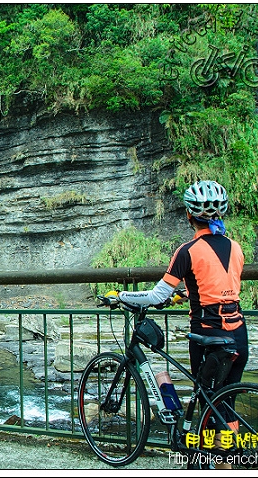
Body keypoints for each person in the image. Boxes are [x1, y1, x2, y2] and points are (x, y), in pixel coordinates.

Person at [103, 180, 248, 468]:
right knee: (225, 403)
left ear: (188, 215)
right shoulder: (236, 247)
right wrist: (186, 295)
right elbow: (218, 288)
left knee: (208, 403)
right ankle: (225, 463)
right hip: (239, 333)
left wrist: (120, 295)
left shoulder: (188, 250)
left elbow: (158, 294)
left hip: (208, 333)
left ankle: (217, 464)